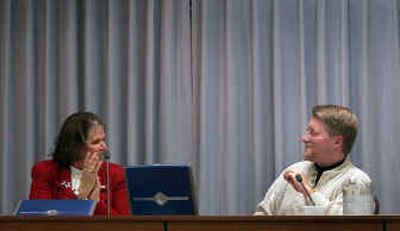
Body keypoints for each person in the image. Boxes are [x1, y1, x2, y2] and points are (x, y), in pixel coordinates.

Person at [254, 105, 373, 215]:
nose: (304, 138)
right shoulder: (295, 170)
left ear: (337, 142)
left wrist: (309, 192)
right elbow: (262, 216)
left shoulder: (358, 181)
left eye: (313, 133)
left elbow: (354, 226)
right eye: (307, 131)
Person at [29, 111, 131, 216]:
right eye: (96, 142)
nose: (104, 147)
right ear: (75, 147)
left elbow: (123, 223)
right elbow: (39, 218)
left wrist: (95, 203)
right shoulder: (45, 170)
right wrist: (81, 195)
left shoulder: (115, 173)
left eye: (103, 140)